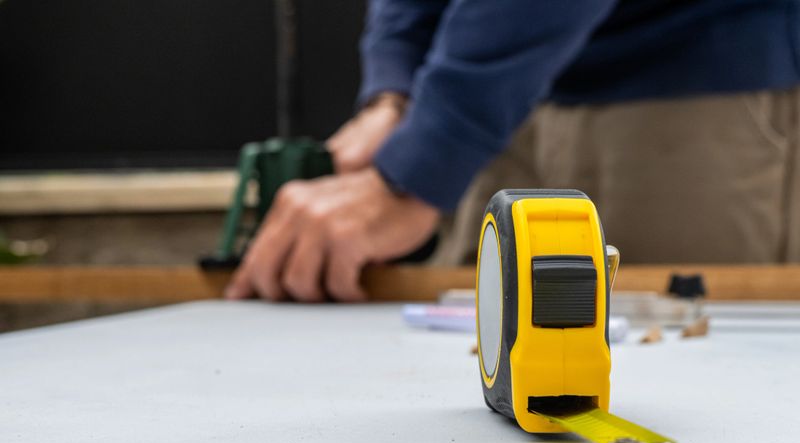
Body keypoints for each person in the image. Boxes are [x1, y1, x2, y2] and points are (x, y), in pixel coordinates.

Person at [226, 0, 800, 302]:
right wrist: (395, 94)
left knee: (674, 389)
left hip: (686, 90)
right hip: (507, 93)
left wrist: (423, 163)